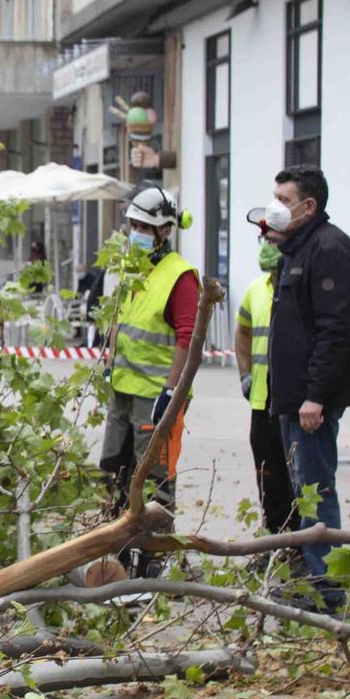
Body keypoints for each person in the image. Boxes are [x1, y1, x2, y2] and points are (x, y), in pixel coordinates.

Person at [252, 163, 350, 610]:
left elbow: (335, 331)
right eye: (274, 198)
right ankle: (312, 581)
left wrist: (315, 395)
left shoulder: (328, 249)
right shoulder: (299, 249)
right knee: (301, 492)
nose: (275, 209)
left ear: (309, 206)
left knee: (315, 493)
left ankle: (328, 593)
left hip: (310, 401)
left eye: (284, 201)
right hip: (292, 398)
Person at [96, 185, 198, 573]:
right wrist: (108, 354)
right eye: (132, 224)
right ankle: (116, 549)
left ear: (164, 232)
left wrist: (171, 391)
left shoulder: (180, 277)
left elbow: (188, 339)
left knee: (153, 479)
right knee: (115, 471)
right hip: (122, 390)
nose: (135, 231)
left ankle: (155, 559)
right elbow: (121, 318)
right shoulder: (131, 268)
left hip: (154, 395)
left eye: (143, 226)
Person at [234, 237, 296, 540]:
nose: (274, 276)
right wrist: (244, 373)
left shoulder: (298, 290)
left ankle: (297, 546)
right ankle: (273, 541)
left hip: (292, 402)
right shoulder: (255, 291)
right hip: (261, 400)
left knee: (294, 481)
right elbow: (243, 331)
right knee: (268, 478)